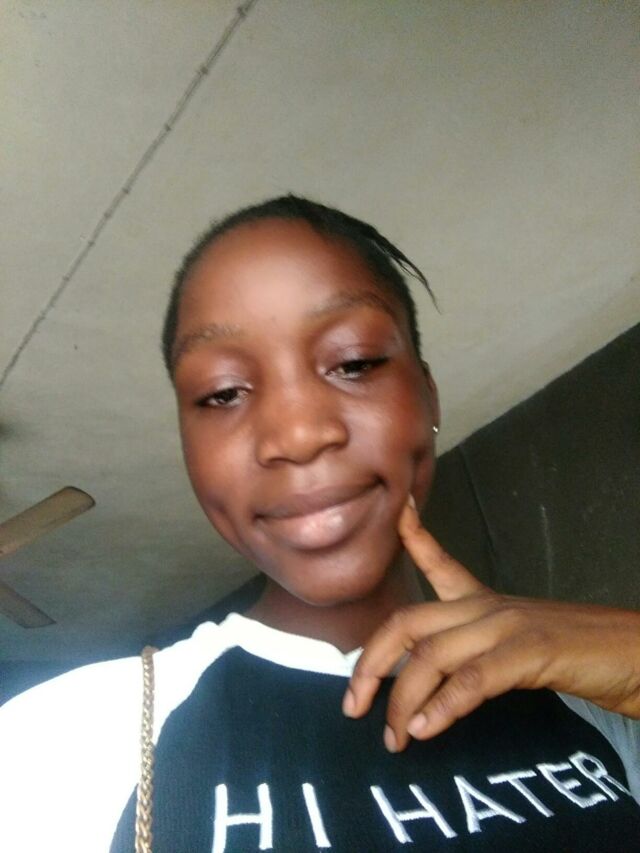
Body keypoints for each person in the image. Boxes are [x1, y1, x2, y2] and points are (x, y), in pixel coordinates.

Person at [0, 195, 639, 852]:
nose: (298, 435)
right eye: (222, 393)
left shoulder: (580, 698)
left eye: (353, 362)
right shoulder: (59, 744)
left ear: (427, 396)